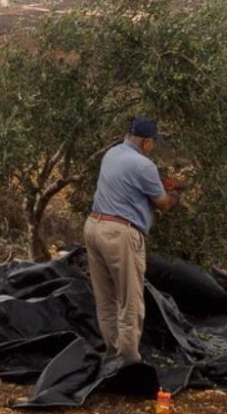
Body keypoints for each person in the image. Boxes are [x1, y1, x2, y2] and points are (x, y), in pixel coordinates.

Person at [84, 117, 180, 363]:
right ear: (147, 142)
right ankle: (128, 360)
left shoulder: (112, 153)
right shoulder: (143, 165)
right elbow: (163, 204)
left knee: (105, 297)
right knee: (130, 299)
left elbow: (131, 182)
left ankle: (112, 352)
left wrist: (159, 181)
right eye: (153, 143)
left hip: (94, 226)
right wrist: (175, 193)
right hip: (120, 233)